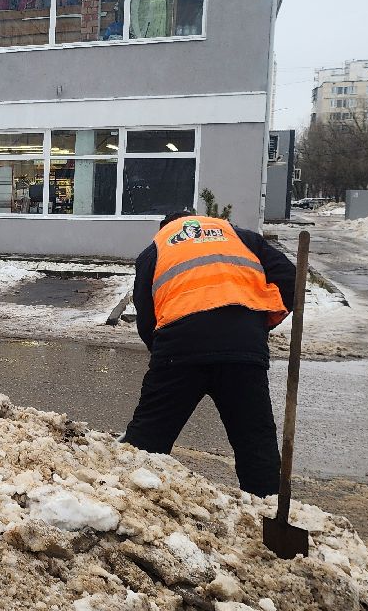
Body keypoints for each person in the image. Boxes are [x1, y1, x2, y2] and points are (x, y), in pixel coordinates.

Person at [121, 211, 296, 497]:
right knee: (255, 442)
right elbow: (289, 278)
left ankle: (129, 504)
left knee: (148, 438)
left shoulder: (156, 248)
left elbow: (146, 315)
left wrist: (162, 351)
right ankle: (268, 516)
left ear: (166, 227)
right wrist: (258, 323)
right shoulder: (238, 235)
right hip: (243, 349)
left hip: (179, 348)